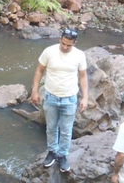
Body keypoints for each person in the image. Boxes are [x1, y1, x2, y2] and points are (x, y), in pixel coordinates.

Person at [29, 27, 88, 172]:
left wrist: (85, 97)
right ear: (59, 39)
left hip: (69, 98)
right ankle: (52, 152)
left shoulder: (79, 55)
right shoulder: (49, 52)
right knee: (51, 127)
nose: (65, 47)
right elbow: (39, 70)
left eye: (69, 45)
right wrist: (34, 91)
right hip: (51, 96)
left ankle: (62, 155)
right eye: (63, 43)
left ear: (75, 43)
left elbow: (83, 77)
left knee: (67, 130)